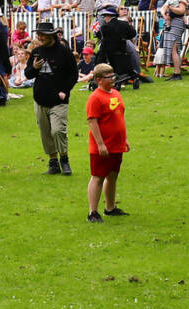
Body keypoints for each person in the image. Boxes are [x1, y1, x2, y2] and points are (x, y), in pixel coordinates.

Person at [24, 21, 77, 176]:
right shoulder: (36, 52)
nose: (39, 37)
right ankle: (53, 162)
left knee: (57, 130)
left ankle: (64, 159)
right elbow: (27, 74)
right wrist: (34, 68)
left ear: (51, 35)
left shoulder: (64, 52)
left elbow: (73, 74)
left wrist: (65, 91)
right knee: (45, 132)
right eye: (38, 34)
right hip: (40, 98)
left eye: (43, 35)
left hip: (59, 100)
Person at [84, 62, 129, 223]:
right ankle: (92, 212)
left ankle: (110, 207)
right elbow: (92, 122)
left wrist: (125, 139)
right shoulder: (95, 98)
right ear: (98, 80)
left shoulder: (116, 93)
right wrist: (100, 143)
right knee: (98, 177)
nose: (113, 79)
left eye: (113, 76)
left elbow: (119, 117)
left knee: (112, 176)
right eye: (109, 77)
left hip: (117, 144)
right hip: (102, 146)